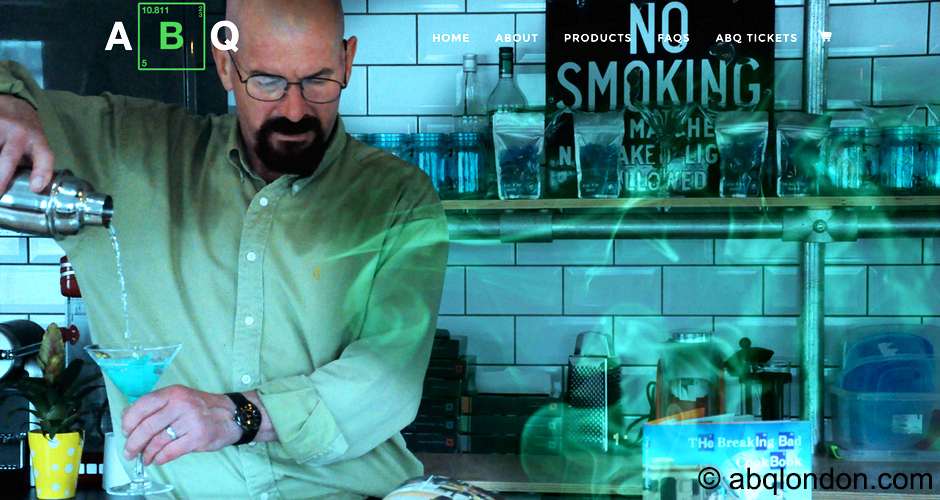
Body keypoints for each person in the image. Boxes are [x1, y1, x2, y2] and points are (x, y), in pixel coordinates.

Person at [0, 0, 449, 498]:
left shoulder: (399, 197)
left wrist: (238, 414)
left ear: (347, 61)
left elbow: (388, 378)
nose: (294, 110)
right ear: (224, 65)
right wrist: (11, 103)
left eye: (319, 80)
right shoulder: (126, 152)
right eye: (267, 82)